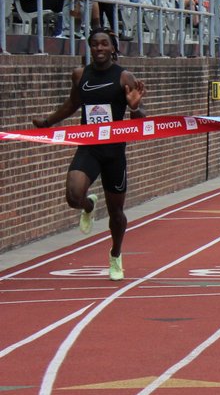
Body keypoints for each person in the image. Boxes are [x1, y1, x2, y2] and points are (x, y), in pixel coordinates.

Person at [31, 29, 146, 282]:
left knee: (117, 212)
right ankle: (88, 205)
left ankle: (115, 254)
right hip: (89, 147)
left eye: (104, 44)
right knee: (73, 196)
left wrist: (135, 107)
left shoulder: (124, 76)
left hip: (114, 151)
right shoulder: (80, 75)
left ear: (113, 48)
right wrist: (48, 122)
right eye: (94, 45)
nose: (99, 49)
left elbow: (141, 121)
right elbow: (72, 104)